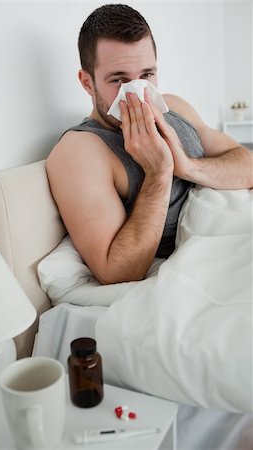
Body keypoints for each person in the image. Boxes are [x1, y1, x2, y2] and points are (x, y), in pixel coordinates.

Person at [46, 4, 252, 285]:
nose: (138, 93)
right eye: (119, 80)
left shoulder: (174, 106)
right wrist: (159, 172)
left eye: (146, 75)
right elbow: (117, 272)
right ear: (87, 82)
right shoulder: (80, 152)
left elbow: (248, 165)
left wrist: (188, 166)